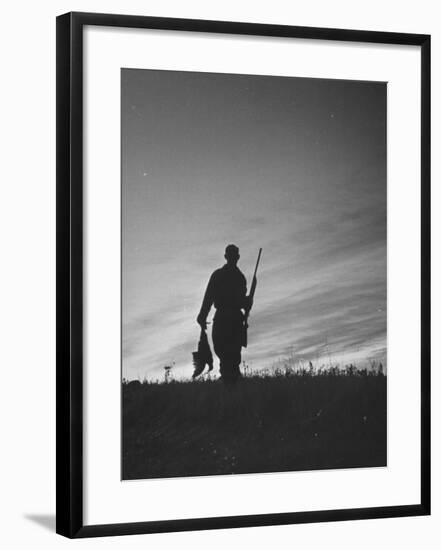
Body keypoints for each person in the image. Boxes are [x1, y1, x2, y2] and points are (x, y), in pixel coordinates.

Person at [197, 244, 251, 384]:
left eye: (234, 255)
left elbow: (240, 301)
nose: (232, 257)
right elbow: (209, 297)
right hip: (227, 319)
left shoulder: (237, 278)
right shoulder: (231, 277)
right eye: (231, 255)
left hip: (229, 320)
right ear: (227, 257)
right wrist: (202, 315)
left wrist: (247, 302)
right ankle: (230, 382)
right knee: (225, 352)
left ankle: (229, 384)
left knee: (230, 355)